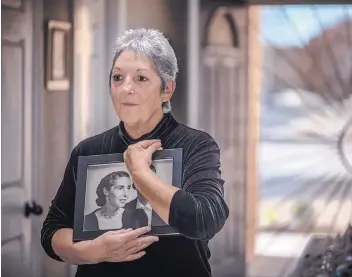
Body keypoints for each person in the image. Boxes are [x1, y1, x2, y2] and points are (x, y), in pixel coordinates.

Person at [41, 28, 229, 277]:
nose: (125, 88)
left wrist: (140, 172)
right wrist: (94, 252)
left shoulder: (197, 145)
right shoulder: (88, 150)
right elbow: (51, 232)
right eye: (117, 78)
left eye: (141, 79)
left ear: (167, 89)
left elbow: (205, 219)